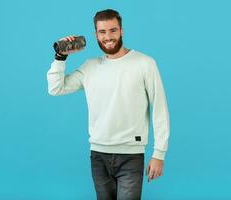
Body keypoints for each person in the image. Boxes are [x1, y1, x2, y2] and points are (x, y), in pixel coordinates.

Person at [47, 8, 170, 200]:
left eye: (113, 30)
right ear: (96, 35)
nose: (108, 37)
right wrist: (61, 57)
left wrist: (159, 154)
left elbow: (160, 109)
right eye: (102, 32)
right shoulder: (90, 66)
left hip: (131, 155)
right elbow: (56, 89)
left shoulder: (144, 63)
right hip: (98, 155)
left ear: (121, 31)